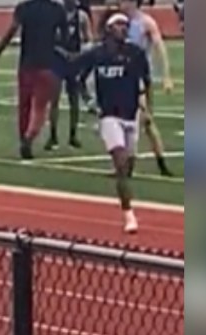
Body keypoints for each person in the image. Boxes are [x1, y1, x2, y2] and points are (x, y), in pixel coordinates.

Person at [70, 13, 150, 233]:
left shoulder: (135, 54)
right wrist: (89, 102)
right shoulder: (98, 54)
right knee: (121, 162)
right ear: (108, 29)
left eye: (126, 25)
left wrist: (147, 110)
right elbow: (77, 76)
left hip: (131, 114)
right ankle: (129, 214)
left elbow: (146, 81)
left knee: (129, 165)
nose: (124, 29)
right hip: (109, 116)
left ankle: (124, 193)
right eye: (119, 25)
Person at [0, 0, 68, 160]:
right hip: (47, 63)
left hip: (27, 63)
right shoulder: (57, 10)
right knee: (40, 107)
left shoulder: (24, 8)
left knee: (24, 105)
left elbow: (11, 31)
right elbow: (64, 39)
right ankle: (30, 136)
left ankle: (24, 137)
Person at [120, 0, 175, 176]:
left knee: (146, 121)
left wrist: (166, 76)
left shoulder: (146, 23)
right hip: (122, 77)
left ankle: (160, 163)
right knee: (121, 120)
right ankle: (124, 163)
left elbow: (160, 48)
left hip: (141, 78)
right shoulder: (118, 22)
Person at [46, 0, 93, 150]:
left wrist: (82, 55)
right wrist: (62, 52)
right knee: (54, 98)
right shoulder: (55, 14)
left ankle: (73, 134)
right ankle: (53, 135)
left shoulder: (82, 16)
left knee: (74, 99)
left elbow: (88, 39)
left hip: (74, 60)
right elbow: (49, 39)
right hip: (58, 60)